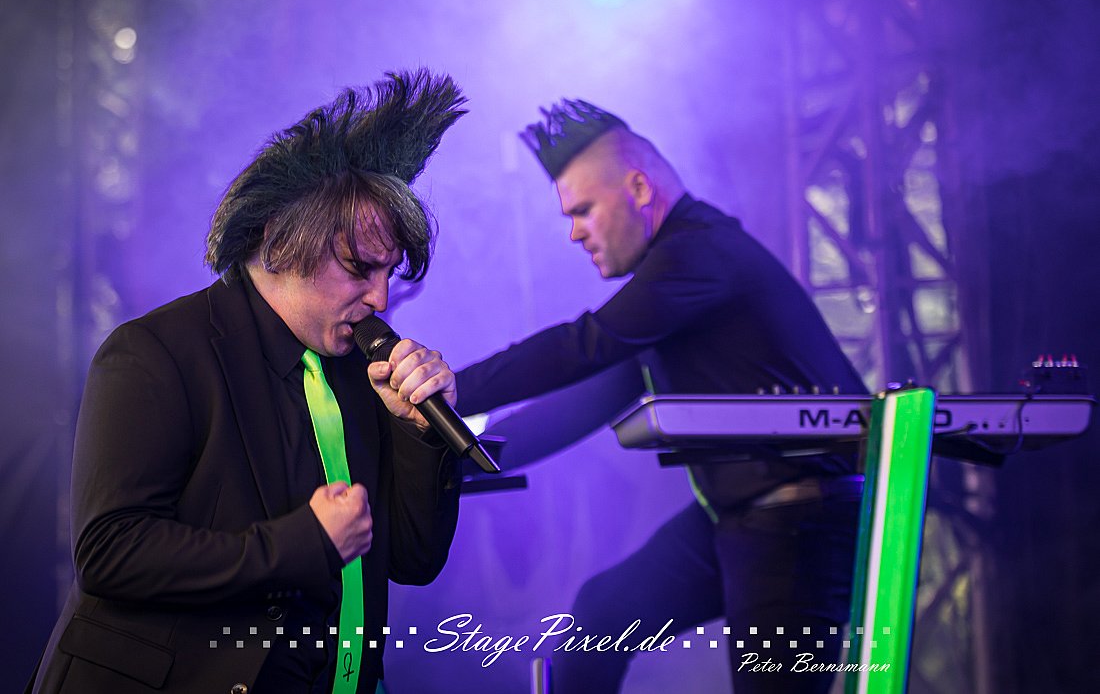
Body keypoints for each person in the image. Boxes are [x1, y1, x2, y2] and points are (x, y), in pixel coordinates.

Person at [28, 70, 466, 694]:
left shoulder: (358, 369)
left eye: (389, 273)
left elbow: (414, 561)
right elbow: (110, 552)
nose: (381, 297)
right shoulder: (156, 352)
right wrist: (303, 544)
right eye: (359, 268)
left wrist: (418, 433)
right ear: (281, 241)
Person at [455, 100, 868, 693]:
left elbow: (584, 344)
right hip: (738, 518)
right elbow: (582, 404)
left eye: (583, 211)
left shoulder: (699, 253)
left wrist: (448, 385)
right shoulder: (671, 289)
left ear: (639, 189)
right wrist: (454, 454)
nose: (574, 232)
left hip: (802, 523)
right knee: (600, 619)